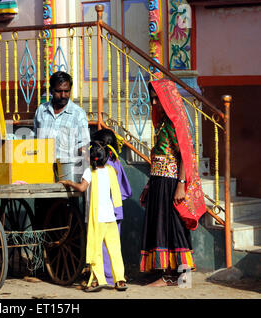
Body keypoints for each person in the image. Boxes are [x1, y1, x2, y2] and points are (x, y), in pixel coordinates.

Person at [139, 79, 206, 287]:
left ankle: (174, 276)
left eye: (157, 98)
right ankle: (170, 275)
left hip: (171, 183)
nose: (153, 103)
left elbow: (184, 155)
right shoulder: (161, 125)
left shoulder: (174, 124)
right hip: (159, 181)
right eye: (151, 99)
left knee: (173, 226)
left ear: (167, 99)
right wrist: (151, 183)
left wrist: (181, 184)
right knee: (160, 226)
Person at [59, 141, 127, 292]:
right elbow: (115, 172)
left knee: (95, 248)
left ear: (91, 159)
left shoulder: (89, 172)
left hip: (98, 218)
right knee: (115, 249)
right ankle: (120, 280)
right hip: (111, 217)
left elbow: (82, 187)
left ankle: (98, 280)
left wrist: (70, 182)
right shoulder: (110, 170)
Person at [91, 128, 132, 287]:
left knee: (101, 246)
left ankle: (105, 278)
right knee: (114, 246)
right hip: (116, 210)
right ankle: (117, 277)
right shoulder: (115, 161)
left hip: (103, 211)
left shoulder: (103, 165)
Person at [33, 71, 90, 182]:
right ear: (51, 90)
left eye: (66, 91)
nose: (63, 95)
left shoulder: (78, 114)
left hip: (68, 173)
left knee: (65, 199)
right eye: (59, 91)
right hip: (43, 171)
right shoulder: (41, 110)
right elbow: (35, 139)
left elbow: (84, 144)